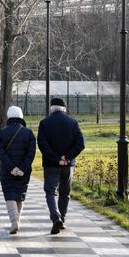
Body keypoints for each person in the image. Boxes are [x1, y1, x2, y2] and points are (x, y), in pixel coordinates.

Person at [37, 98, 85, 234]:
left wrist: (56, 158)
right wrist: (67, 157)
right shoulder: (73, 122)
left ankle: (55, 216)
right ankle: (62, 219)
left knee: (50, 191)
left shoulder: (44, 123)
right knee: (65, 192)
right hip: (68, 165)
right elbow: (80, 143)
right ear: (64, 109)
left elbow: (42, 144)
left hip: (51, 164)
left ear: (51, 109)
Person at [0, 106, 36, 235]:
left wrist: (11, 168)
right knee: (20, 195)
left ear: (9, 117)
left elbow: (0, 152)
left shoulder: (2, 133)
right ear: (21, 116)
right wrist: (22, 168)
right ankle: (17, 220)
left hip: (7, 171)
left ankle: (14, 222)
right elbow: (31, 153)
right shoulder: (28, 133)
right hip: (24, 171)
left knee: (9, 194)